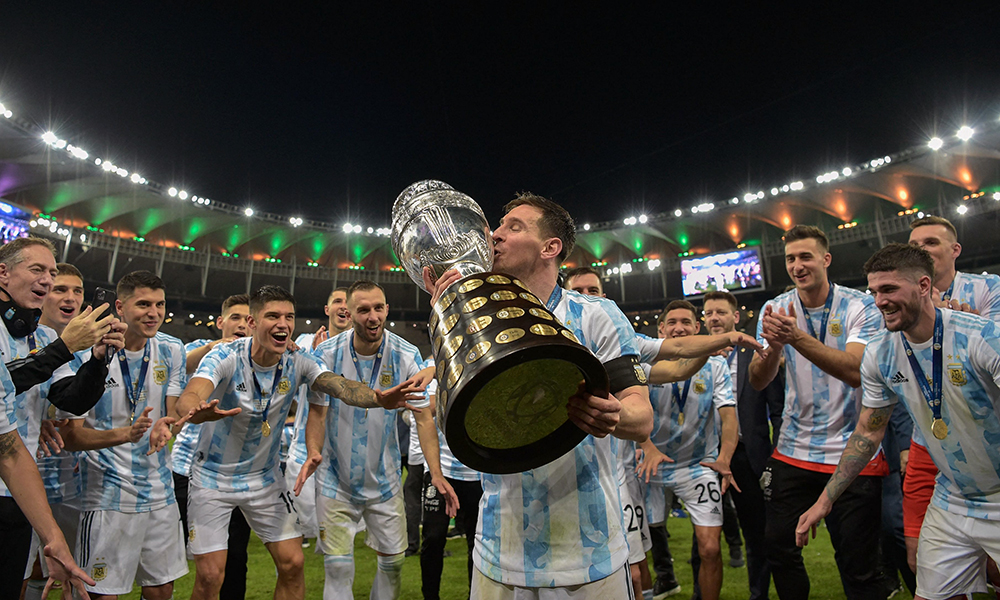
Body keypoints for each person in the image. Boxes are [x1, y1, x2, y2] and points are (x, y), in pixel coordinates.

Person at [425, 193, 760, 598]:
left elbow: (641, 417)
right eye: (498, 225)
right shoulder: (480, 318)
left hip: (588, 551)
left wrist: (612, 414)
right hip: (499, 546)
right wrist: (448, 315)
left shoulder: (595, 315)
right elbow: (454, 416)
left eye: (514, 227)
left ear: (550, 247)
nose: (495, 235)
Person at [173, 285, 420, 599]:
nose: (283, 324)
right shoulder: (226, 356)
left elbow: (338, 385)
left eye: (288, 317)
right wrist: (196, 411)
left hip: (264, 480)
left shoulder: (298, 359)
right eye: (273, 316)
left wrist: (378, 398)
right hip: (213, 478)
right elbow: (191, 393)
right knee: (210, 577)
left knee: (293, 563)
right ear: (252, 323)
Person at [796, 242, 1000, 599]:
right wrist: (825, 500)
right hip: (953, 499)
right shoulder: (880, 353)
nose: (879, 301)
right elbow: (868, 432)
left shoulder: (981, 337)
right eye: (874, 291)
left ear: (923, 285)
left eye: (889, 289)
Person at [294, 280, 457, 600]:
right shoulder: (326, 353)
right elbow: (318, 413)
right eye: (364, 310)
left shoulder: (404, 354)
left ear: (387, 309)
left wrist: (435, 473)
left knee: (393, 564)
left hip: (385, 480)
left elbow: (423, 417)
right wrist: (313, 450)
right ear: (350, 313)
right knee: (337, 567)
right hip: (335, 480)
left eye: (379, 308)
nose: (373, 317)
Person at [749, 225, 885, 600]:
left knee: (858, 565)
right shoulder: (776, 308)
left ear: (826, 259)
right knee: (777, 546)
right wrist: (774, 349)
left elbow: (855, 372)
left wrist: (795, 337)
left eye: (805, 257)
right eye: (790, 258)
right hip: (794, 448)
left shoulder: (860, 306)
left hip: (852, 450)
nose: (797, 266)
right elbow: (758, 380)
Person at [0, 237, 123, 598]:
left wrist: (97, 360)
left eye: (51, 272)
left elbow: (71, 400)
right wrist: (65, 347)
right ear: (3, 273)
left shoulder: (43, 334)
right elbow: (8, 379)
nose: (47, 279)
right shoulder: (54, 341)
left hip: (17, 488)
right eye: (37, 269)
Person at [55, 270, 188, 599]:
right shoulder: (86, 352)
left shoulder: (172, 349)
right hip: (107, 495)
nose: (154, 313)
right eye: (143, 304)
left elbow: (172, 413)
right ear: (119, 307)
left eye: (159, 304)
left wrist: (169, 426)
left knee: (161, 589)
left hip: (160, 492)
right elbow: (71, 437)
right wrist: (126, 435)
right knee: (103, 593)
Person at [903, 215, 1000, 575]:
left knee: (993, 566)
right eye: (914, 246)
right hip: (926, 442)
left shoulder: (988, 289)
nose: (921, 250)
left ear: (955, 249)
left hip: (985, 444)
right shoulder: (901, 299)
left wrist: (952, 323)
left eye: (930, 243)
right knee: (919, 556)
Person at [637, 300, 738, 600]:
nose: (679, 328)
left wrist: (724, 458)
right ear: (661, 329)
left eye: (685, 322)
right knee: (638, 550)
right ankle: (660, 583)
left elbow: (728, 416)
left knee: (710, 548)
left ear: (697, 327)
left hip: (697, 466)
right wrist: (645, 446)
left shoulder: (717, 365)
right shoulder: (646, 362)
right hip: (650, 466)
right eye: (672, 322)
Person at [698, 290, 782, 600]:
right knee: (702, 535)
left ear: (736, 317)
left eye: (721, 312)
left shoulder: (756, 353)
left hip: (749, 455)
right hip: (706, 455)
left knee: (756, 532)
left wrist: (776, 457)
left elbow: (778, 409)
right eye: (709, 313)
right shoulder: (695, 355)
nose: (714, 318)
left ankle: (758, 595)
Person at [171, 293, 252, 599]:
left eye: (248, 320)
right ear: (220, 322)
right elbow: (180, 365)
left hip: (232, 474)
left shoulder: (259, 359)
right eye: (235, 318)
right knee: (167, 556)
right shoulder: (199, 349)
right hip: (185, 469)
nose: (241, 325)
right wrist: (213, 347)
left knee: (234, 560)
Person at [22, 263, 86, 599]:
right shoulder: (22, 339)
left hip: (67, 481)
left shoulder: (84, 350)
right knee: (26, 568)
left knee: (63, 569)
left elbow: (72, 409)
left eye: (77, 291)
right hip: (20, 475)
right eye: (60, 289)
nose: (70, 298)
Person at [286, 287, 350, 544]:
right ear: (327, 309)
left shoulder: (359, 348)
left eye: (348, 302)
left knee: (334, 531)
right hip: (305, 443)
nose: (343, 306)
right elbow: (288, 385)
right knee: (300, 517)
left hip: (342, 447)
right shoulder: (303, 342)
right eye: (337, 301)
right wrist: (312, 359)